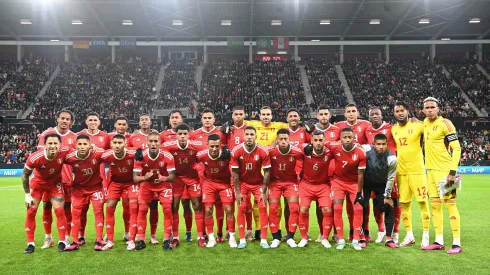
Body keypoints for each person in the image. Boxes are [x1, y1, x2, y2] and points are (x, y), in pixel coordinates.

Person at [422, 97, 462, 254]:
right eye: (427, 107)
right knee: (435, 206)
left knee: (450, 205)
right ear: (423, 110)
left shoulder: (446, 123)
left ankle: (457, 243)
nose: (430, 110)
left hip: (446, 172)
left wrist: (452, 172)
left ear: (438, 109)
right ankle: (439, 240)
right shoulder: (424, 123)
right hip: (430, 171)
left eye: (433, 107)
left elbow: (457, 148)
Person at [23, 133, 72, 253]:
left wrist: (92, 148)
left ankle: (62, 242)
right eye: (50, 143)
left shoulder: (65, 151)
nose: (53, 146)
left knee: (59, 210)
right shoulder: (35, 157)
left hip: (55, 184)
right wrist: (27, 195)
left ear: (60, 145)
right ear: (45, 145)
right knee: (31, 211)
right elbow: (25, 176)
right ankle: (30, 244)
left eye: (55, 143)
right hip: (38, 185)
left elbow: (79, 154)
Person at [244, 106, 287, 240]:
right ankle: (258, 229)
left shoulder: (279, 125)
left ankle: (278, 229)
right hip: (257, 168)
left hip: (273, 168)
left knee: (276, 201)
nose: (266, 117)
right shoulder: (252, 124)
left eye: (268, 114)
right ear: (259, 115)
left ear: (272, 115)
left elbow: (294, 123)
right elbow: (238, 121)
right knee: (258, 201)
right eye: (263, 114)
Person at [391, 102, 431, 248]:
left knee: (422, 203)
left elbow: (431, 128)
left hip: (417, 171)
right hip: (401, 172)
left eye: (402, 110)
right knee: (405, 204)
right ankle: (409, 235)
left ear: (407, 111)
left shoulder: (418, 126)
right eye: (397, 111)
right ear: (394, 113)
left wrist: (419, 120)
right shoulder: (393, 129)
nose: (400, 113)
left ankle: (426, 235)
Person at [37, 110, 77, 249]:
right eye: (62, 118)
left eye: (68, 119)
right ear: (57, 119)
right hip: (48, 179)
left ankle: (66, 237)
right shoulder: (46, 135)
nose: (65, 121)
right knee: (46, 207)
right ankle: (48, 237)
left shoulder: (75, 137)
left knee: (66, 209)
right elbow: (42, 155)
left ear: (71, 122)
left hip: (66, 179)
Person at [162, 124, 206, 248]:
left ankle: (201, 237)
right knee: (174, 206)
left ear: (189, 135)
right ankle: (175, 237)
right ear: (176, 135)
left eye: (184, 134)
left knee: (197, 205)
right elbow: (157, 152)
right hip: (176, 179)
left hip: (192, 179)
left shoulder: (196, 146)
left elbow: (207, 154)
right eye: (180, 134)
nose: (182, 136)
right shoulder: (168, 146)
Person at [133, 132, 176, 251]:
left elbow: (172, 176)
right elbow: (135, 178)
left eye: (156, 141)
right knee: (142, 210)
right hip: (147, 184)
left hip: (163, 184)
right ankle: (141, 240)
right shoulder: (141, 156)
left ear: (160, 143)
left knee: (167, 210)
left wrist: (163, 178)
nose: (153, 144)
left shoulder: (167, 156)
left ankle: (166, 240)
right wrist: (145, 177)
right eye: (151, 141)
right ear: (147, 143)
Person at [364, 107, 401, 244]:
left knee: (394, 201)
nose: (374, 116)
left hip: (390, 169)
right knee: (375, 203)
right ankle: (381, 231)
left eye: (377, 114)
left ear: (382, 116)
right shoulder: (366, 130)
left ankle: (394, 232)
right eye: (372, 114)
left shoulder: (391, 128)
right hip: (374, 172)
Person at [231, 126, 271, 249]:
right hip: (243, 183)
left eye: (251, 134)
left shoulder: (263, 151)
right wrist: (238, 192)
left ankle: (264, 240)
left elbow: (267, 172)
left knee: (263, 206)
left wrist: (264, 191)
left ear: (256, 136)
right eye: (247, 134)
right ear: (243, 136)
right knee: (241, 207)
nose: (249, 137)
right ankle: (242, 239)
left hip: (258, 183)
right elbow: (235, 173)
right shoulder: (236, 151)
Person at [191, 109, 227, 243]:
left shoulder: (221, 132)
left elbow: (227, 147)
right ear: (201, 119)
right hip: (201, 176)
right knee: (204, 205)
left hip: (219, 174)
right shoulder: (194, 134)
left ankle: (219, 233)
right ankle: (203, 233)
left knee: (220, 204)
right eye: (204, 118)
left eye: (209, 118)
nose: (207, 120)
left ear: (214, 119)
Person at [63, 135, 105, 251]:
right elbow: (58, 158)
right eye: (80, 144)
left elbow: (112, 155)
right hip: (78, 190)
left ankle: (99, 240)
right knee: (75, 214)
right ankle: (75, 241)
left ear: (89, 145)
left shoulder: (97, 154)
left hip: (95, 188)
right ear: (76, 145)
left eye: (85, 144)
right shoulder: (70, 158)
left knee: (98, 212)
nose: (82, 147)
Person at [327, 128, 366, 251]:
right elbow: (321, 142)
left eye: (350, 137)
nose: (348, 140)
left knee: (359, 208)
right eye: (345, 137)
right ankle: (341, 240)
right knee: (337, 208)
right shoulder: (335, 147)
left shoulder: (361, 153)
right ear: (340, 139)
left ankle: (355, 240)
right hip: (338, 182)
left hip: (354, 183)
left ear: (354, 137)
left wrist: (359, 192)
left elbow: (361, 174)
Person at [196, 134, 236, 248]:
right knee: (208, 210)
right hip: (209, 183)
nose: (214, 149)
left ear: (220, 145)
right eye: (212, 146)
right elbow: (192, 162)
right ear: (207, 145)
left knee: (229, 210)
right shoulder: (201, 155)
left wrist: (228, 148)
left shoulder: (226, 155)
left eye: (217, 146)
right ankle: (212, 238)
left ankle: (232, 237)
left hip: (224, 183)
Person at [160, 110, 195, 242]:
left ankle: (188, 231)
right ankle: (172, 233)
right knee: (172, 206)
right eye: (172, 117)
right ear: (169, 120)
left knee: (186, 204)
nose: (174, 120)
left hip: (188, 176)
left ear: (182, 120)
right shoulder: (163, 135)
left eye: (177, 117)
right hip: (173, 178)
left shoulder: (190, 134)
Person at [77, 112, 111, 245]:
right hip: (82, 179)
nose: (92, 122)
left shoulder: (105, 136)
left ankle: (100, 237)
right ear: (86, 121)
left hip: (99, 178)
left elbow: (110, 154)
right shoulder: (79, 136)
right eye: (90, 119)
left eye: (95, 120)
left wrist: (99, 152)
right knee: (82, 209)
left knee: (99, 208)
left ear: (99, 122)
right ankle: (81, 236)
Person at [308, 106, 340, 243]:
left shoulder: (337, 130)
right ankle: (322, 232)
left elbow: (341, 144)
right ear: (317, 116)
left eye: (326, 114)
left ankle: (336, 233)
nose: (323, 116)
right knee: (320, 207)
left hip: (332, 175)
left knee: (333, 206)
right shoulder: (311, 130)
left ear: (330, 115)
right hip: (317, 174)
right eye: (321, 114)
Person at [221, 106, 253, 240]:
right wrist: (225, 149)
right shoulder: (228, 130)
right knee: (231, 200)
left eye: (241, 114)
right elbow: (220, 146)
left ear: (244, 115)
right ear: (232, 116)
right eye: (236, 114)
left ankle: (249, 230)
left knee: (247, 202)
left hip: (247, 170)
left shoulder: (249, 130)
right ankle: (230, 230)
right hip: (230, 170)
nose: (238, 116)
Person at [101, 134, 139, 251]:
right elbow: (93, 157)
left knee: (133, 209)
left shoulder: (133, 153)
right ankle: (110, 240)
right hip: (115, 183)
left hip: (131, 183)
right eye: (115, 143)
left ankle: (131, 239)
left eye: (120, 143)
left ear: (125, 144)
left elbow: (145, 155)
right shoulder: (106, 155)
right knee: (109, 208)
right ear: (111, 144)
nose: (117, 145)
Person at [361, 134, 398, 248]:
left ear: (387, 144)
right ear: (374, 144)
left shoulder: (392, 158)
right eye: (378, 144)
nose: (381, 147)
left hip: (381, 184)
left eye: (383, 144)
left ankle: (389, 238)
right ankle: (362, 236)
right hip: (366, 183)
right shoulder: (366, 149)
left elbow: (391, 178)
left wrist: (387, 196)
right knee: (362, 206)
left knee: (388, 206)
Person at [127, 114, 160, 245]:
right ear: (139, 123)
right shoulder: (133, 137)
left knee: (154, 207)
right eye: (142, 120)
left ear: (150, 122)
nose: (144, 122)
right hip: (140, 178)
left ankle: (153, 235)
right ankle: (136, 234)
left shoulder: (156, 136)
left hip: (154, 178)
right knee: (138, 207)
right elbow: (128, 153)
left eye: (146, 120)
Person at [298, 130, 334, 249]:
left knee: (327, 210)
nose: (318, 143)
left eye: (320, 140)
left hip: (323, 185)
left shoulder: (329, 152)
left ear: (324, 141)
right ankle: (304, 238)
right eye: (316, 140)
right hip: (306, 184)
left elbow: (340, 145)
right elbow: (290, 146)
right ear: (311, 141)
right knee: (303, 209)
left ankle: (325, 238)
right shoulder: (304, 150)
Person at [267, 129, 303, 248]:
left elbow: (308, 158)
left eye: (285, 139)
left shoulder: (297, 152)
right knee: (273, 209)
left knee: (293, 208)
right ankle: (275, 238)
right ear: (276, 140)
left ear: (289, 140)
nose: (283, 141)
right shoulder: (270, 151)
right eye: (281, 139)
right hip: (274, 183)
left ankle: (290, 237)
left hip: (290, 182)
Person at [107, 116, 132, 241]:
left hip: (129, 181)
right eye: (119, 124)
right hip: (113, 180)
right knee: (109, 206)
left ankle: (128, 232)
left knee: (127, 206)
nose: (121, 126)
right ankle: (108, 233)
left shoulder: (132, 138)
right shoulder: (108, 137)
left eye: (124, 124)